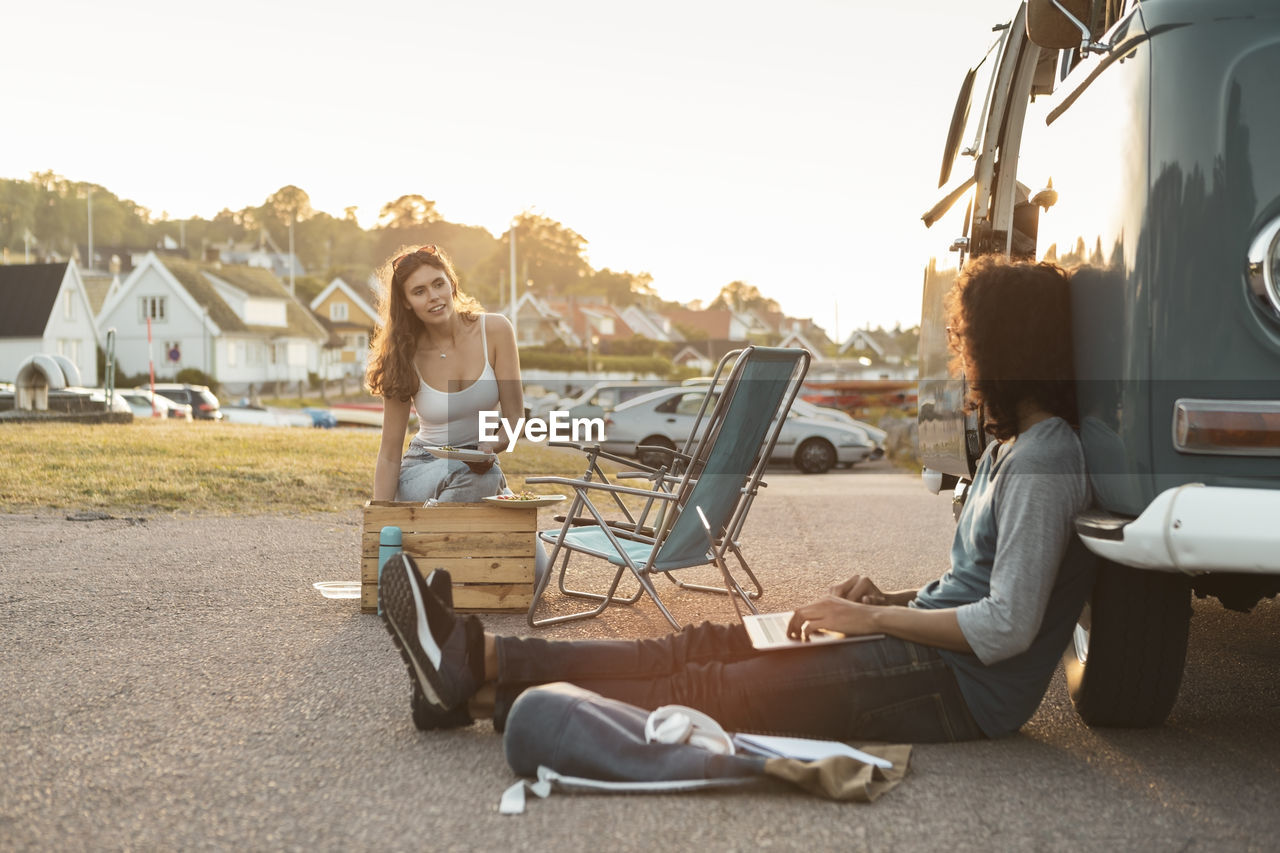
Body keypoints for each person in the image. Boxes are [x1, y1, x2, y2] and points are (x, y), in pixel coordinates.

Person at [379, 255, 1094, 741]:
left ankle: (473, 669)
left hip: (960, 689)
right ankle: (472, 679)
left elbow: (1006, 627)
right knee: (704, 642)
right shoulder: (1010, 446)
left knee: (712, 685)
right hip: (925, 647)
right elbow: (973, 592)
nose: (961, 356)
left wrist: (870, 615)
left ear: (1007, 349)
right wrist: (896, 599)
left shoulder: (1046, 459)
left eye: (970, 342)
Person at [365, 244, 523, 503]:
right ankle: (430, 528)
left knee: (528, 543)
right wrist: (380, 520)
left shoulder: (496, 331)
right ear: (406, 302)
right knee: (479, 477)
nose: (433, 296)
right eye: (419, 291)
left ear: (451, 283)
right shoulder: (403, 355)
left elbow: (515, 420)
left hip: (480, 469)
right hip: (424, 468)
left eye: (438, 284)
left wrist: (492, 446)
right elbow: (390, 453)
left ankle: (429, 528)